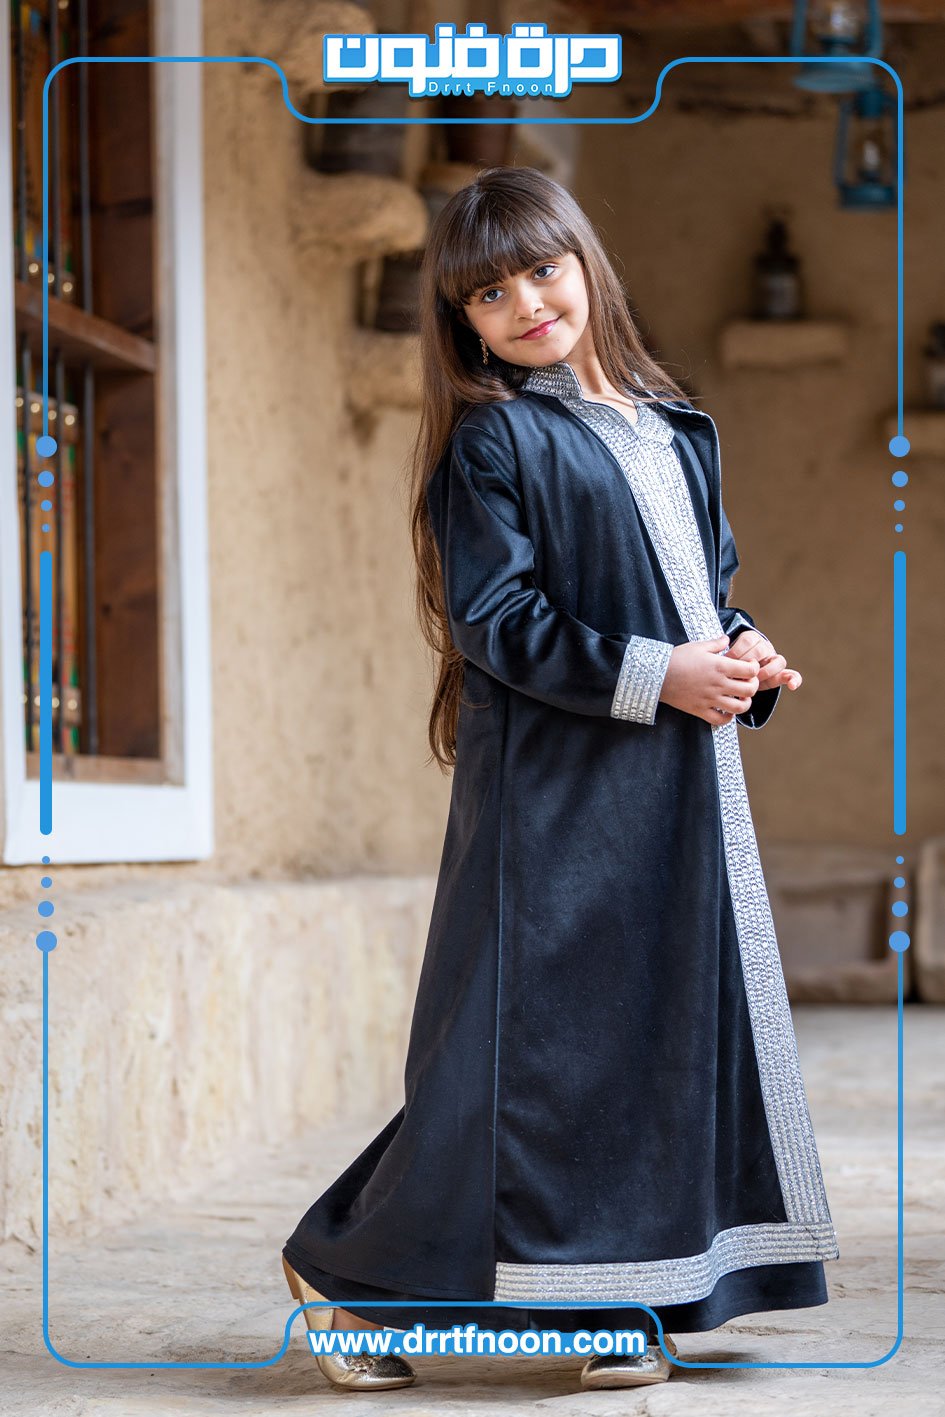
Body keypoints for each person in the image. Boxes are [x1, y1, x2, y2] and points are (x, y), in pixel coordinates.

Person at [281, 165, 839, 1393]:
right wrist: (661, 673)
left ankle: (616, 1296)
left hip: (677, 787)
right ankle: (347, 1278)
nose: (527, 304)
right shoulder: (494, 440)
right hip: (554, 798)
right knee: (514, 1061)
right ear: (462, 323)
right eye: (490, 294)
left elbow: (704, 594)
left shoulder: (676, 429)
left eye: (542, 270)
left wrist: (742, 652)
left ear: (586, 264)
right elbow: (496, 621)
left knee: (646, 1036)